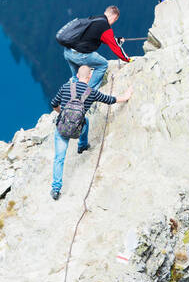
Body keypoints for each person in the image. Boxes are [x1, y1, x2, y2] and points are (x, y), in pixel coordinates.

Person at [49, 63, 133, 200]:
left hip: (62, 129)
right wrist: (126, 96)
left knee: (59, 158)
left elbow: (53, 103)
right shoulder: (91, 93)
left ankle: (56, 189)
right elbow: (110, 100)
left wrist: (61, 112)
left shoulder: (65, 87)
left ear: (77, 76)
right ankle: (82, 146)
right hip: (77, 129)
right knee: (85, 121)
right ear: (89, 77)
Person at [61, 5, 130, 89]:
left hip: (68, 51)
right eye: (115, 20)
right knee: (103, 65)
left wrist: (116, 40)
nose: (113, 22)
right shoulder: (105, 27)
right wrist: (128, 59)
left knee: (76, 78)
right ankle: (88, 92)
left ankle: (75, 97)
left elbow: (101, 37)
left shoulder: (94, 19)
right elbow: (115, 47)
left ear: (106, 12)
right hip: (79, 55)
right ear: (114, 17)